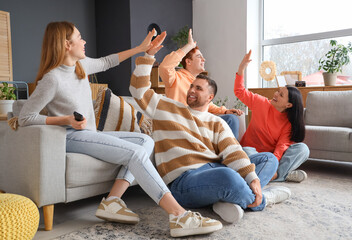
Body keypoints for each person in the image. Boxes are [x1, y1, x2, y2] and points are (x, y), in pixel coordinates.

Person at [18, 21, 223, 238]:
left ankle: (112, 202)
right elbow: (25, 117)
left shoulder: (81, 66)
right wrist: (65, 119)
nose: (84, 41)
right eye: (79, 37)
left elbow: (108, 61)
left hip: (89, 134)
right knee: (134, 153)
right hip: (70, 136)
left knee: (145, 141)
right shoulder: (52, 78)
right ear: (66, 44)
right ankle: (179, 215)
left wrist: (141, 49)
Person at [130, 49, 291, 224]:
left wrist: (253, 179)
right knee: (228, 176)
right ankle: (264, 199)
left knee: (269, 159)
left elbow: (233, 151)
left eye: (198, 88)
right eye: (191, 86)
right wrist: (148, 56)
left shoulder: (217, 122)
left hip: (212, 170)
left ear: (210, 97)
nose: (191, 90)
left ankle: (225, 199)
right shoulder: (166, 107)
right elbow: (138, 91)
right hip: (183, 181)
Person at [234, 50, 310, 183]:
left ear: (288, 105)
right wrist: (241, 68)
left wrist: (273, 164)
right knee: (244, 151)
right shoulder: (261, 103)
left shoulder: (288, 123)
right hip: (252, 153)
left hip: (270, 157)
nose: (275, 94)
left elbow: (280, 148)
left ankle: (271, 174)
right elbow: (239, 91)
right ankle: (281, 175)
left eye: (281, 95)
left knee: (303, 149)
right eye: (278, 91)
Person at [159, 29, 243, 139]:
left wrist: (224, 111)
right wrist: (189, 46)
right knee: (231, 120)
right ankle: (233, 153)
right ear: (188, 62)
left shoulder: (198, 82)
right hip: (184, 125)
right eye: (199, 57)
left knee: (231, 118)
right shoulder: (176, 78)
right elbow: (164, 67)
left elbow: (207, 104)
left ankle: (230, 152)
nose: (204, 59)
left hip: (199, 122)